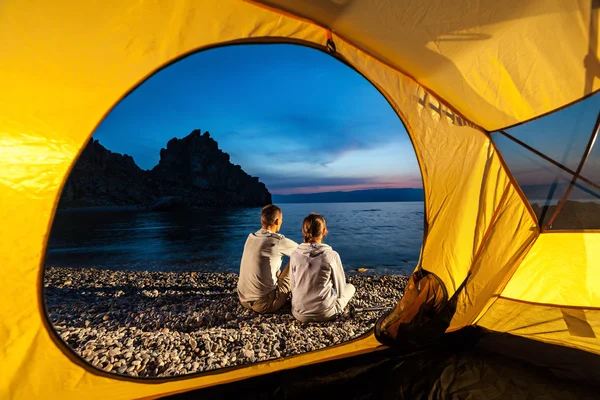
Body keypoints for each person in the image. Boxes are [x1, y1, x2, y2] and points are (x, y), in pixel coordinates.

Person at [290, 212, 356, 322]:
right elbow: (340, 291)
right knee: (350, 288)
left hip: (299, 313)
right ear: (324, 231)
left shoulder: (295, 254)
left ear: (303, 231)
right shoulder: (331, 255)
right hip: (326, 313)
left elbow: (293, 286)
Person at [237, 204, 298, 313]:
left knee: (273, 263)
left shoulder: (251, 237)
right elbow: (304, 251)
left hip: (243, 299)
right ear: (277, 221)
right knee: (297, 258)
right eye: (281, 220)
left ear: (262, 220)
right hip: (264, 304)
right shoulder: (277, 240)